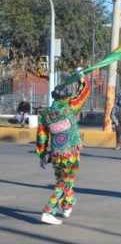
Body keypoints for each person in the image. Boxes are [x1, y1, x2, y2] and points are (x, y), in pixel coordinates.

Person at [36, 67, 90, 225]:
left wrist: (41, 154)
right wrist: (80, 74)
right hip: (70, 153)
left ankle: (67, 205)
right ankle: (48, 210)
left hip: (56, 154)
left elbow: (41, 135)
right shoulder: (69, 108)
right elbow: (84, 90)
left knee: (64, 179)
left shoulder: (45, 113)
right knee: (65, 181)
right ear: (66, 97)